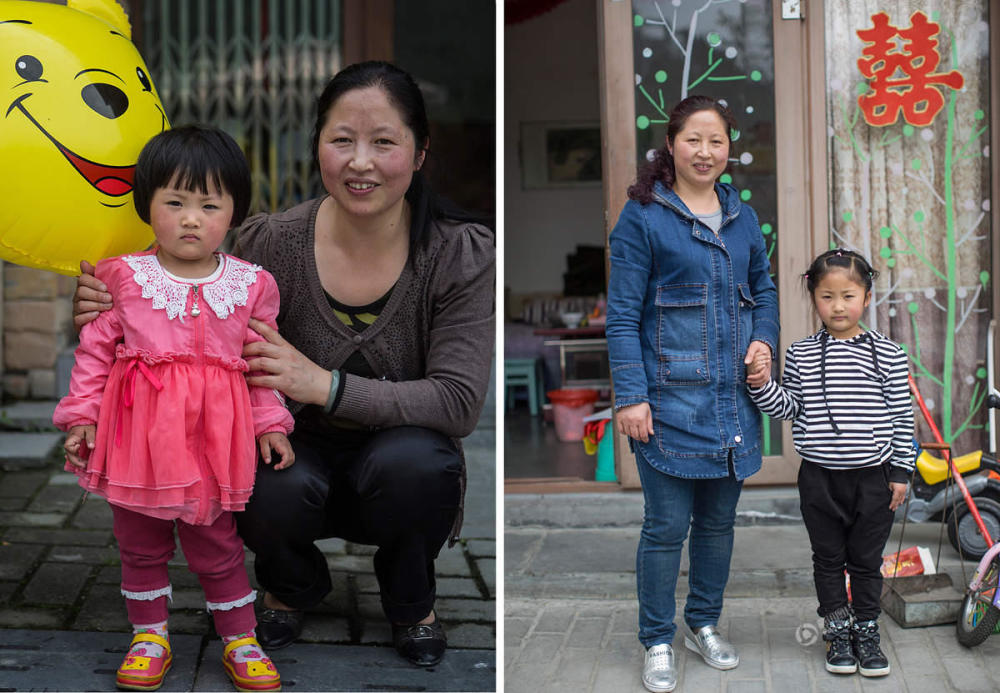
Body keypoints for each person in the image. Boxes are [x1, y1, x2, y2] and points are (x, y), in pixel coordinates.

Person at [72, 61, 495, 668]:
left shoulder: (460, 252)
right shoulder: (269, 242)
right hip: (294, 449)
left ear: (421, 152)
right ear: (318, 145)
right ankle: (293, 586)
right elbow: (176, 279)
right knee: (256, 471)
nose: (360, 162)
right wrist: (100, 298)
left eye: (384, 142)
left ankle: (411, 600)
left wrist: (325, 384)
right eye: (341, 139)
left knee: (416, 463)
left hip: (399, 456)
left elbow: (456, 403)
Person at [54, 125, 294, 692]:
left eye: (209, 205)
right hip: (136, 440)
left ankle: (239, 636)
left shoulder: (252, 285)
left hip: (213, 442)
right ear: (147, 206)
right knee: (139, 542)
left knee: (217, 541)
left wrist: (270, 423)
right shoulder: (124, 278)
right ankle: (149, 636)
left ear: (234, 212)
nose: (192, 218)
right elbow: (94, 353)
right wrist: (81, 416)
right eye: (176, 202)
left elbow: (261, 362)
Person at [605, 95, 778, 693]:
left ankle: (702, 623)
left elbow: (765, 287)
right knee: (664, 527)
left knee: (718, 527)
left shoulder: (743, 217)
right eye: (693, 140)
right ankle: (657, 637)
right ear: (671, 145)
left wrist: (764, 341)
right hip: (667, 402)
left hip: (732, 402)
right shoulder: (644, 216)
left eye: (717, 142)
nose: (706, 152)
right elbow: (623, 315)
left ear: (730, 150)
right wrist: (630, 396)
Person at [747, 248, 913, 678]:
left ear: (867, 296)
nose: (838, 306)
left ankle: (867, 630)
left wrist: (900, 473)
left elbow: (901, 417)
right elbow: (789, 407)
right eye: (826, 296)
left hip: (873, 480)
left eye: (848, 295)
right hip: (819, 479)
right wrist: (762, 384)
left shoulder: (889, 355)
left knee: (865, 560)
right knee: (827, 559)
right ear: (813, 297)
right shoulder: (801, 354)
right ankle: (837, 631)